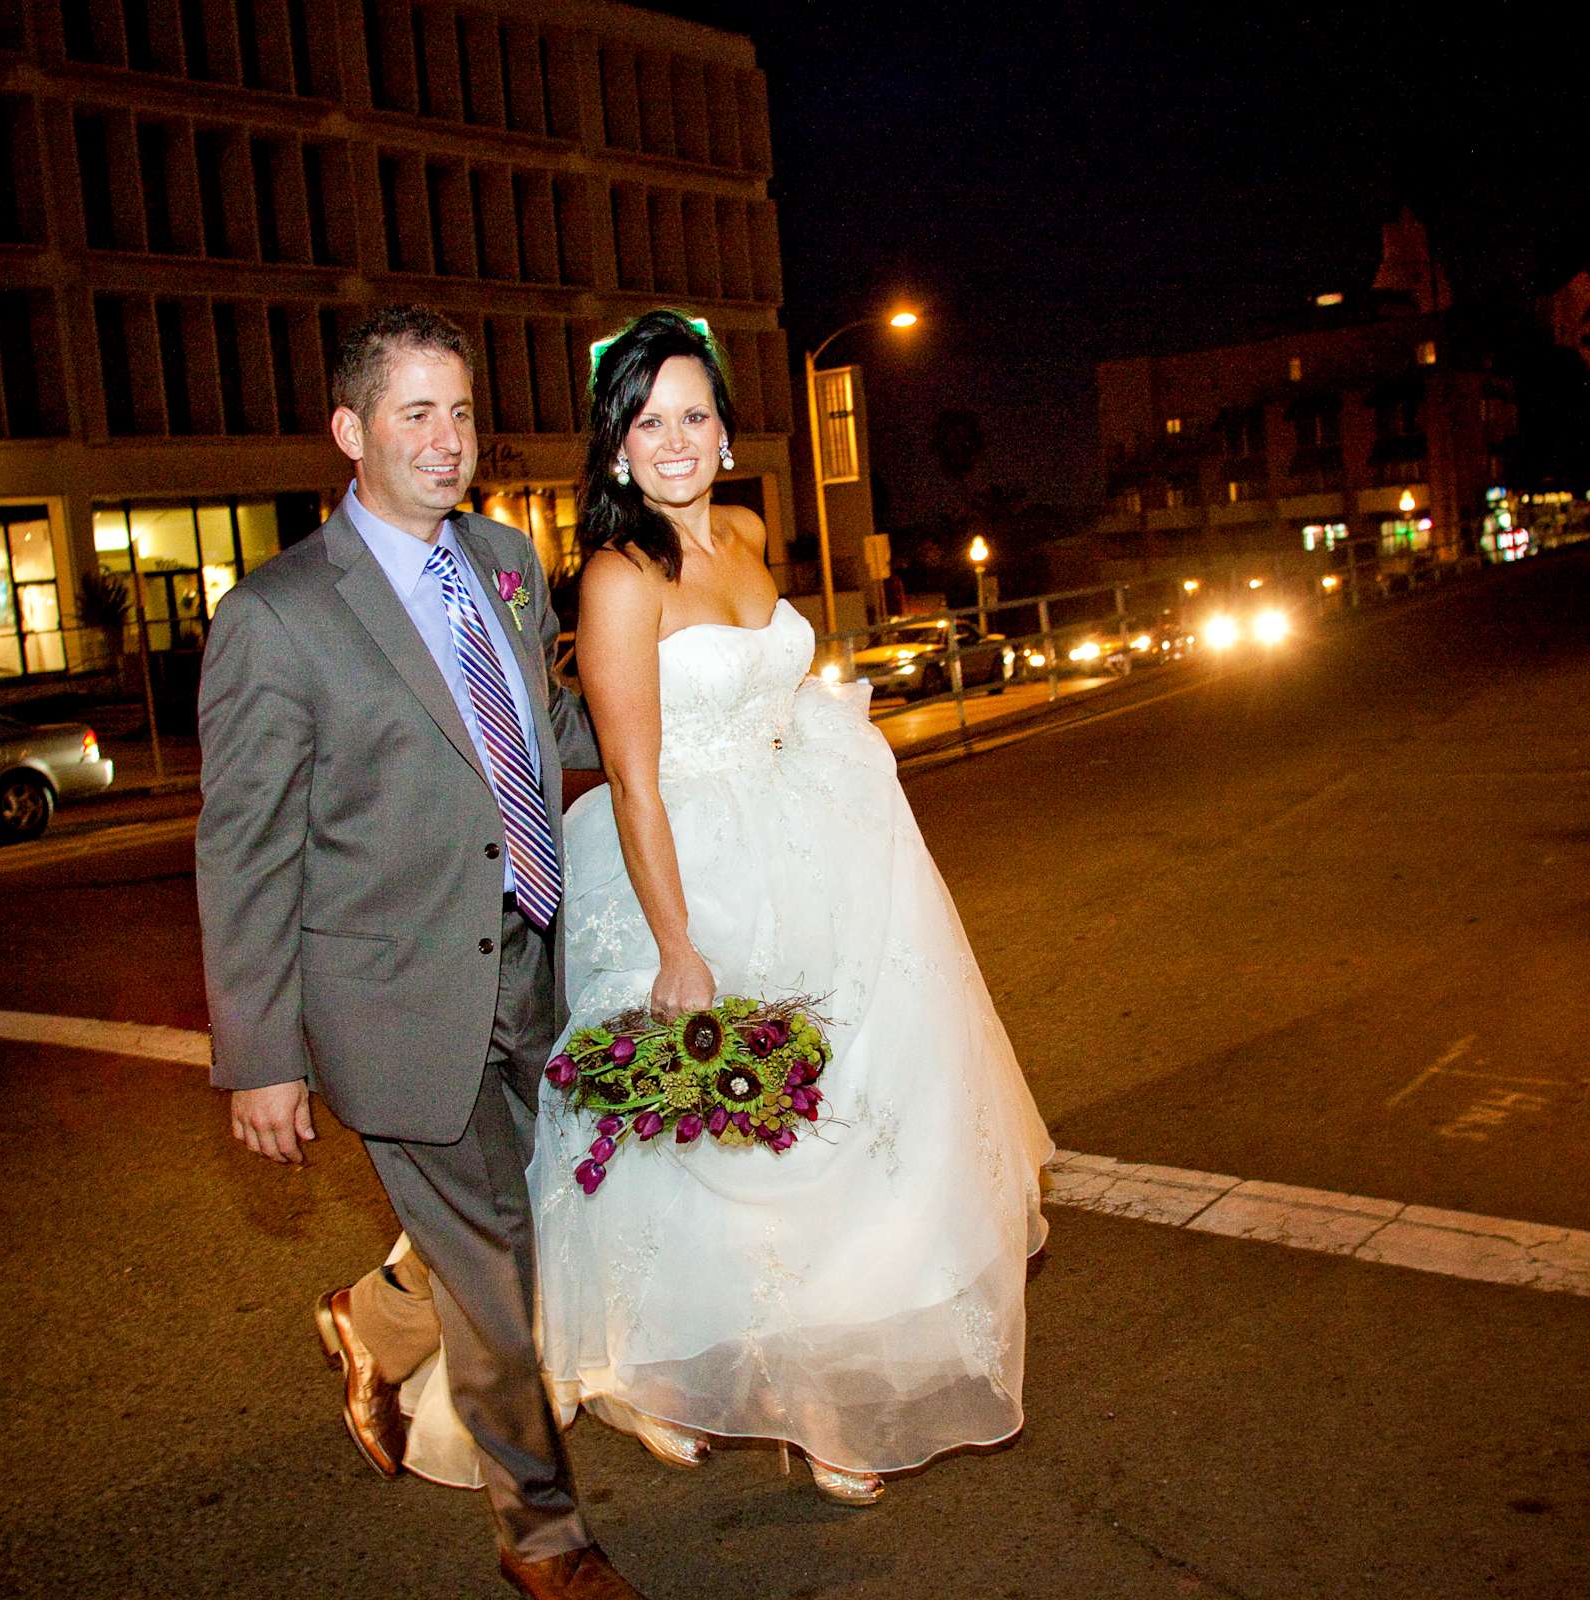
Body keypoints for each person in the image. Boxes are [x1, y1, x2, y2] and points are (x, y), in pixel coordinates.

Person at [394, 309, 1052, 1505]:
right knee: (731, 1157)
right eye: (649, 422)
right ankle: (711, 1383)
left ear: (724, 425)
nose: (677, 440)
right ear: (615, 445)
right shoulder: (617, 575)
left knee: (853, 1130)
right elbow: (636, 780)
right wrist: (679, 946)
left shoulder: (747, 529)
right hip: (687, 868)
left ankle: (827, 1388)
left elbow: (778, 688)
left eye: (694, 414)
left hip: (811, 840)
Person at [196, 304, 643, 1600]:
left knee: (558, 1219)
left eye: (461, 412)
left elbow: (544, 713)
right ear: (350, 431)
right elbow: (244, 849)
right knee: (501, 1265)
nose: (449, 442)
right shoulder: (278, 618)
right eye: (416, 415)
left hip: (538, 961)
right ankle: (546, 1540)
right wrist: (260, 1056)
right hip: (397, 997)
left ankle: (378, 1318)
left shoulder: (506, 557)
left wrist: (670, 733)